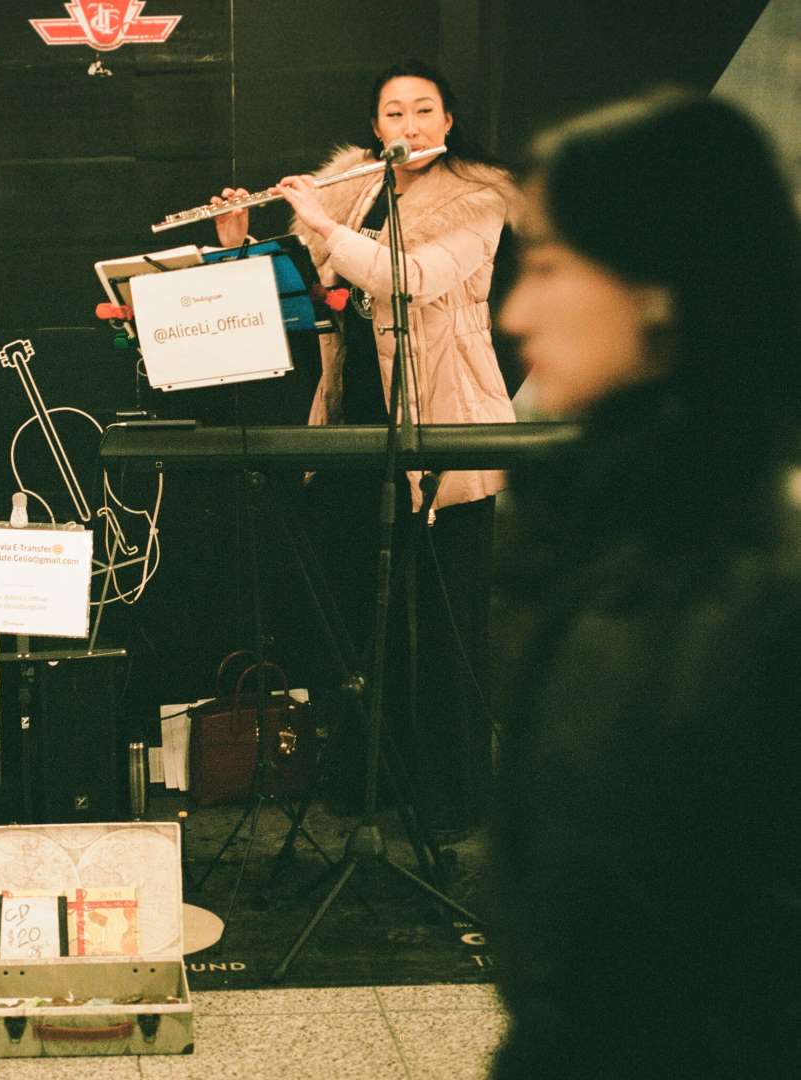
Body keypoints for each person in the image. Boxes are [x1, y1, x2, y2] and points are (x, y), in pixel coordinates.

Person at [489, 89, 801, 1077]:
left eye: (545, 266)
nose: (515, 309)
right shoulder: (609, 526)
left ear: (660, 285)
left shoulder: (758, 586)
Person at [210, 59, 519, 834]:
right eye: (392, 114)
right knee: (361, 625)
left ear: (448, 123)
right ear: (375, 126)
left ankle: (450, 800)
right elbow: (306, 301)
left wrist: (321, 224)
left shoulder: (477, 199)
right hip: (352, 426)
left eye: (422, 112)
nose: (407, 128)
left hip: (442, 432)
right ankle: (371, 782)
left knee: (442, 629)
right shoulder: (351, 189)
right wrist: (238, 242)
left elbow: (410, 277)